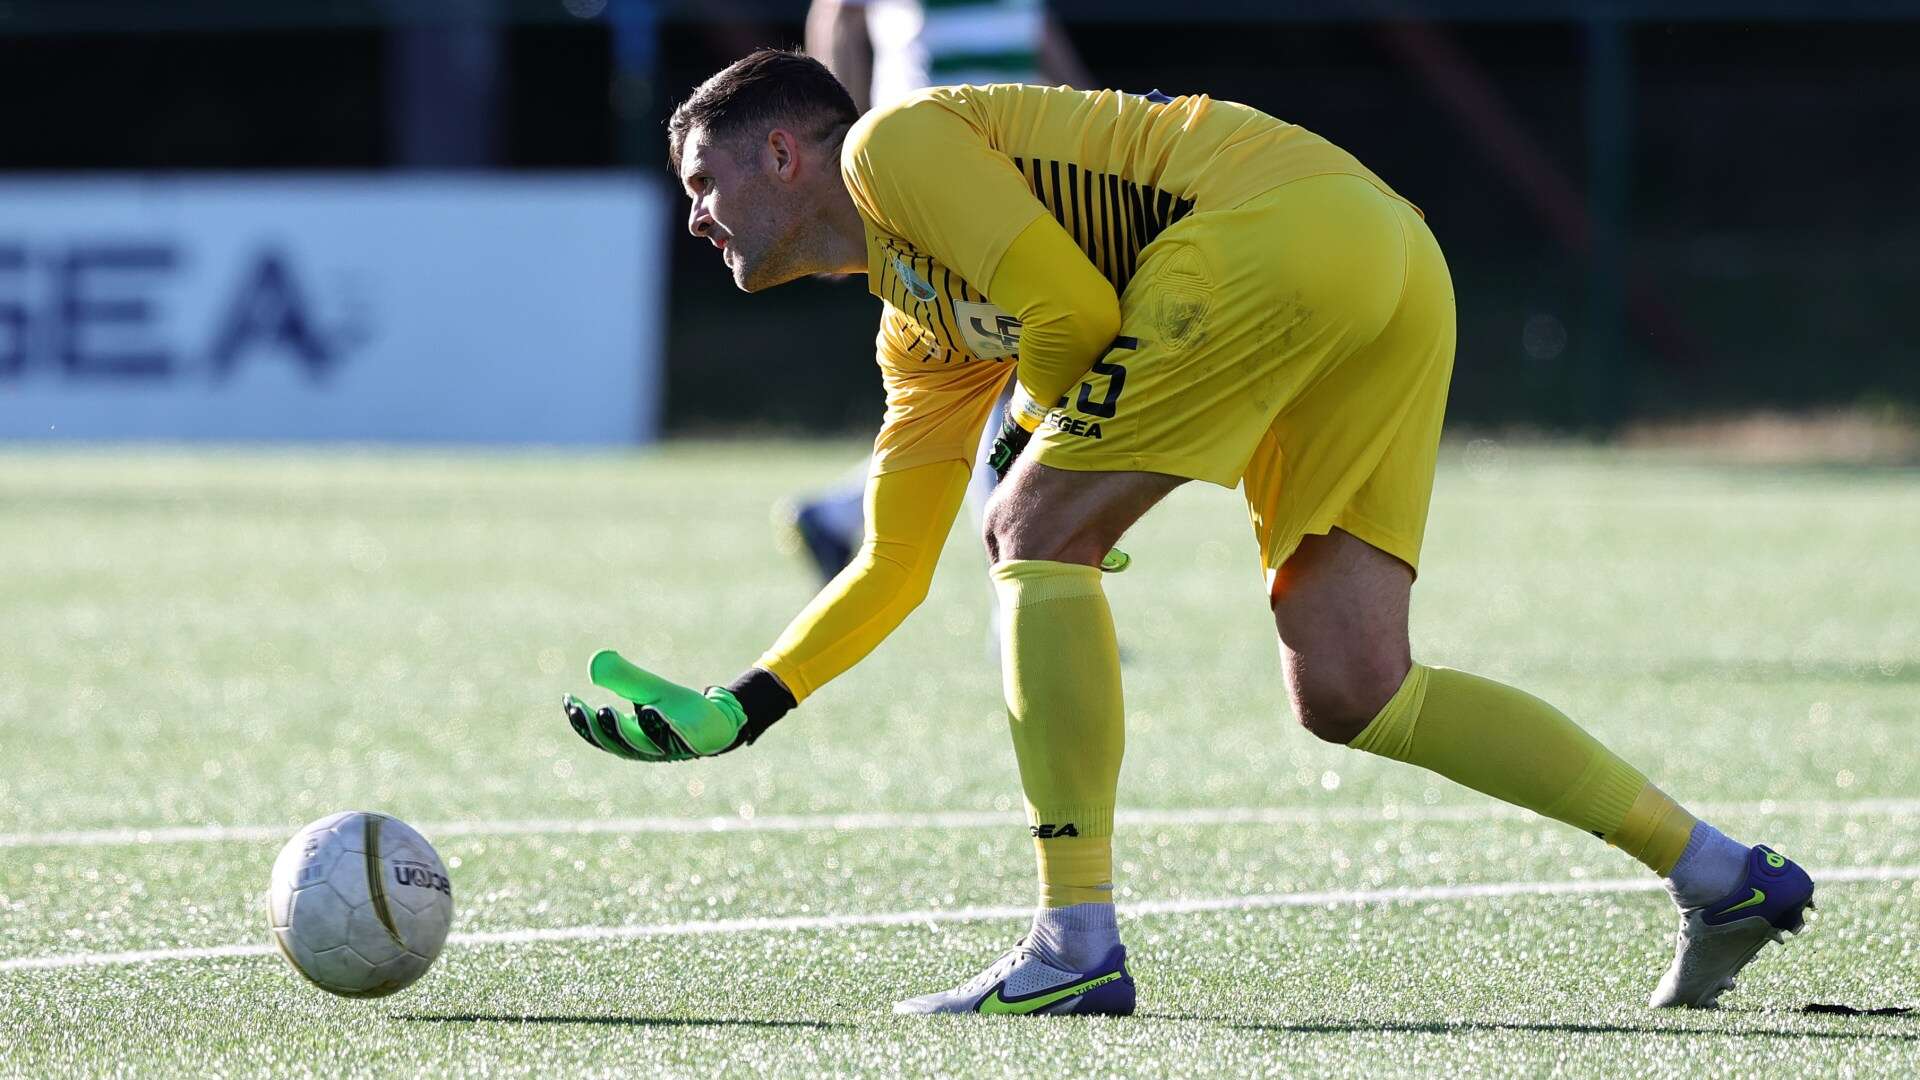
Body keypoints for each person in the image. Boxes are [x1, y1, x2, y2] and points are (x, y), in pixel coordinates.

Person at [563, 49, 1815, 1016]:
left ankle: (1073, 946)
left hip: (1274, 237)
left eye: (703, 182)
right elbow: (893, 566)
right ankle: (1716, 872)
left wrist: (1031, 461)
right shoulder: (917, 327)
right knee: (1351, 684)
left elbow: (1068, 306)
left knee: (1034, 530)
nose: (695, 220)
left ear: (784, 153)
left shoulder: (892, 149)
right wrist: (746, 704)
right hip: (1385, 259)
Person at [785, 0, 1092, 580]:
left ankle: (840, 514)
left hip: (1016, 166)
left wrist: (1098, 123)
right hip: (928, 166)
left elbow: (1037, 31)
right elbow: (839, 17)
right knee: (1009, 372)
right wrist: (836, 171)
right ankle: (1019, 590)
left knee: (996, 375)